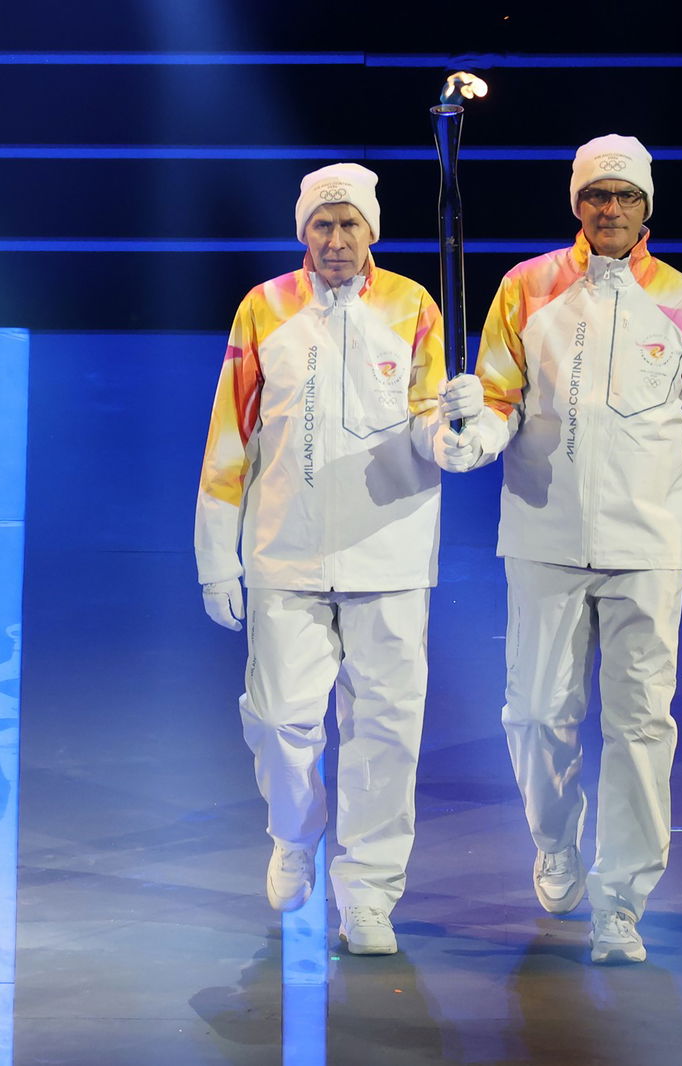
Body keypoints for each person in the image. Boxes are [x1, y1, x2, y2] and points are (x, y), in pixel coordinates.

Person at [442, 134, 682, 964]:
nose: (609, 209)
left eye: (624, 196)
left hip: (648, 548)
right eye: (595, 196)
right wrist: (470, 428)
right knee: (537, 715)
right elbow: (498, 407)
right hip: (543, 539)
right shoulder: (525, 289)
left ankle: (622, 901)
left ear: (648, 206)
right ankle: (557, 842)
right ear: (576, 203)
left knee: (642, 726)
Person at [193, 164, 473, 955]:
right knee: (281, 720)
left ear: (372, 231)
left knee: (387, 732)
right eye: (323, 225)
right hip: (286, 554)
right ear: (303, 232)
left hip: (390, 557)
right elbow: (229, 438)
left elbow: (433, 431)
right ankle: (294, 834)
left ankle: (370, 893)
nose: (337, 240)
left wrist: (451, 430)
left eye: (351, 225)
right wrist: (218, 556)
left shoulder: (414, 306)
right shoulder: (264, 309)